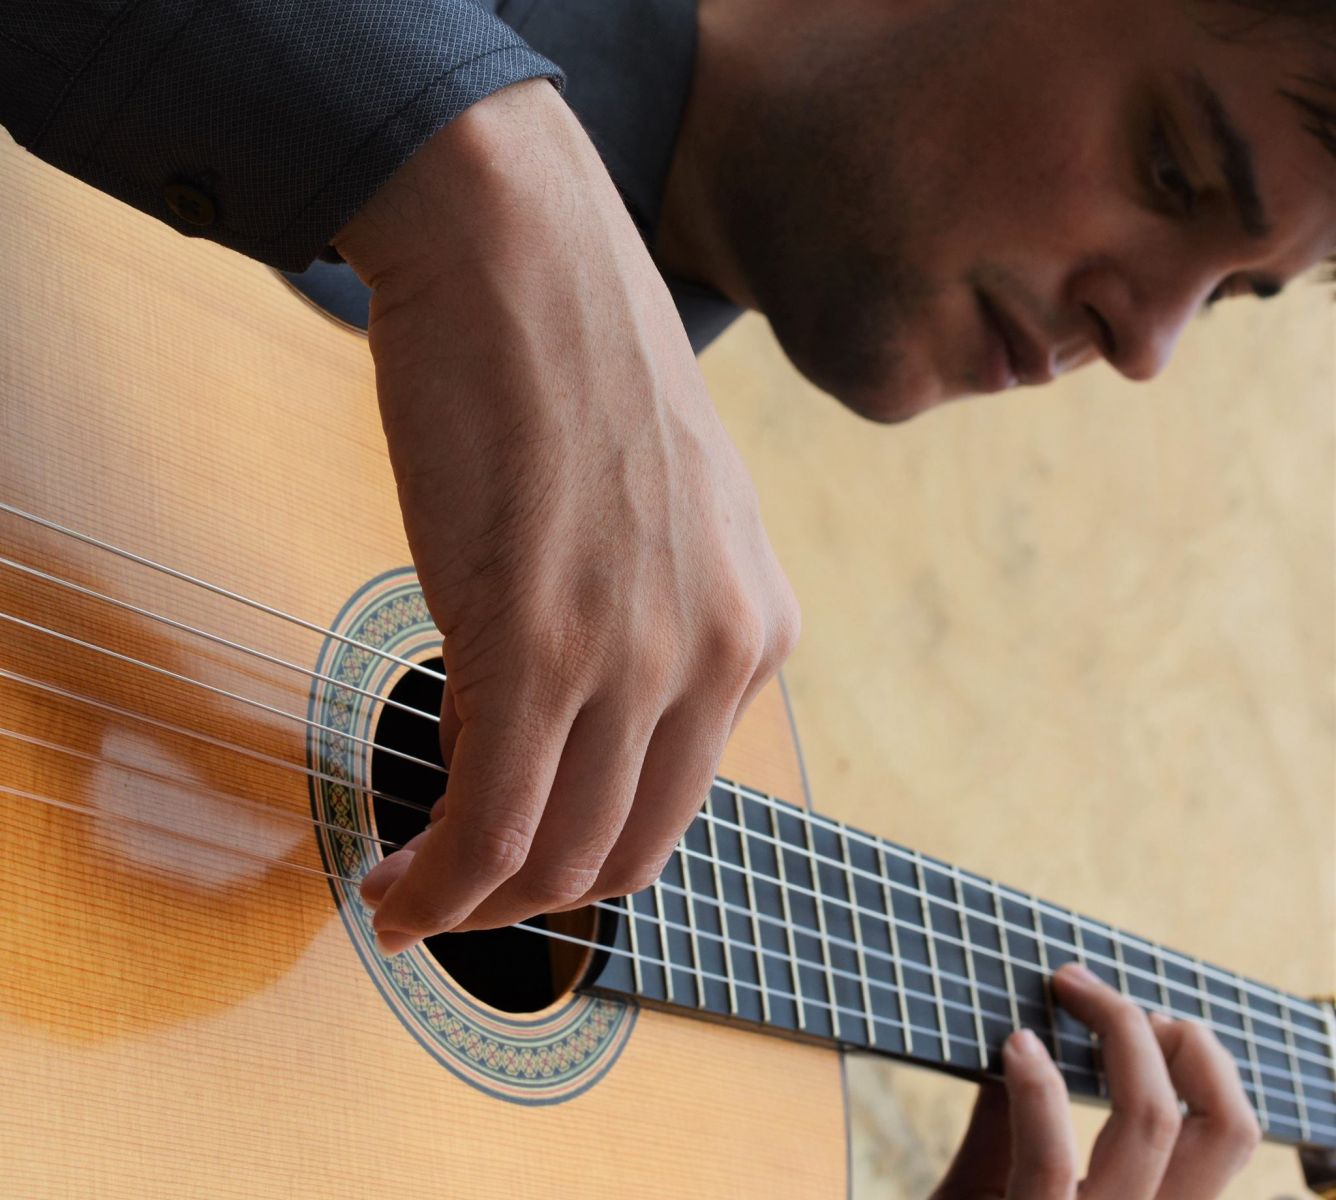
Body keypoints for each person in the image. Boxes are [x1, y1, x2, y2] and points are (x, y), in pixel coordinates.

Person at [2, 0, 1322, 1191]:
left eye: (1231, 298)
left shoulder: (645, 594)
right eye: (1175, 169)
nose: (1151, 344)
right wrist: (467, 152)